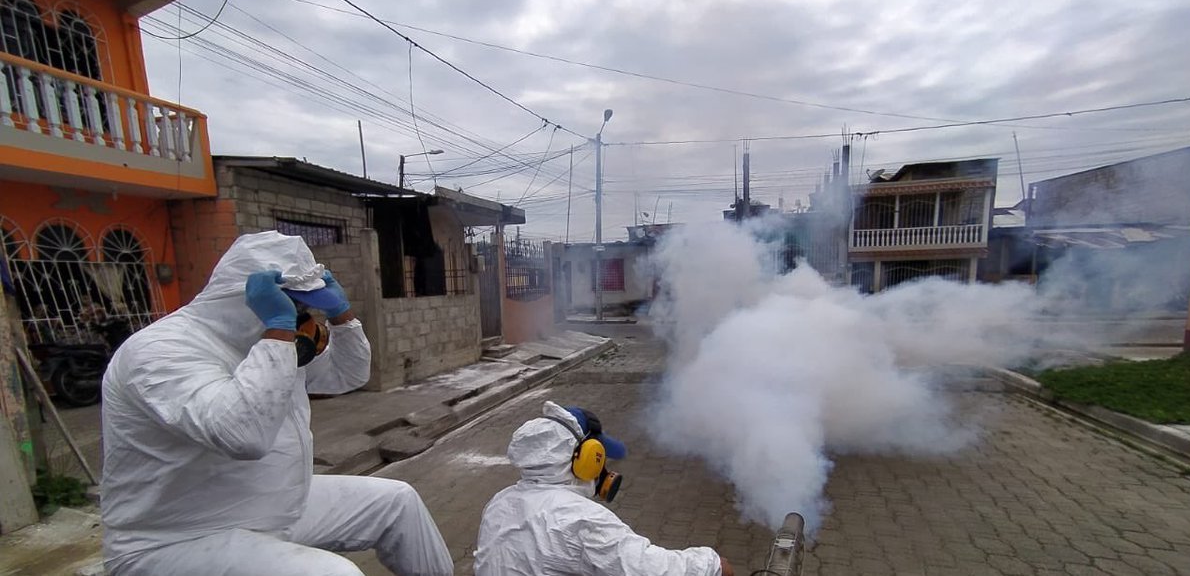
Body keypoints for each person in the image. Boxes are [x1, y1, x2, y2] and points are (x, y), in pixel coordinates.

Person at [100, 231, 453, 576]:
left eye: (303, 304)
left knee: (397, 503)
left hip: (269, 504)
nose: (301, 315)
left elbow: (348, 375)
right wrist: (278, 330)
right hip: (174, 539)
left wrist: (342, 317)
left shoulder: (271, 338)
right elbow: (242, 435)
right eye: (294, 303)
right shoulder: (159, 351)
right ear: (245, 297)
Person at [474, 400, 735, 576]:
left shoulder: (499, 502)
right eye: (601, 457)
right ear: (586, 458)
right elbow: (650, 568)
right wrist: (713, 565)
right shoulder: (580, 518)